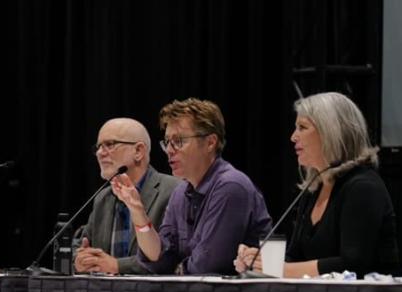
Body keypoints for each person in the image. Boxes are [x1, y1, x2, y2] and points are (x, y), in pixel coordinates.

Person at [234, 91, 400, 278]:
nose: (293, 137)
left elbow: (353, 264)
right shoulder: (313, 189)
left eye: (302, 127)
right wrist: (257, 261)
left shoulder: (363, 187)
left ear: (331, 132)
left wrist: (281, 269)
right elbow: (295, 257)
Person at [111, 97, 272, 274]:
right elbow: (159, 258)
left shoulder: (231, 186)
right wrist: (137, 212)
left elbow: (208, 265)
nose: (170, 150)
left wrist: (177, 269)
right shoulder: (180, 192)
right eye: (167, 142)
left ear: (210, 142)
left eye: (178, 141)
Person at [74, 118, 180, 274]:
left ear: (138, 151)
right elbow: (80, 243)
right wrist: (80, 259)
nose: (100, 153)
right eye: (98, 147)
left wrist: (117, 266)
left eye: (109, 145)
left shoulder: (174, 190)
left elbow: (170, 256)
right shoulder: (102, 198)